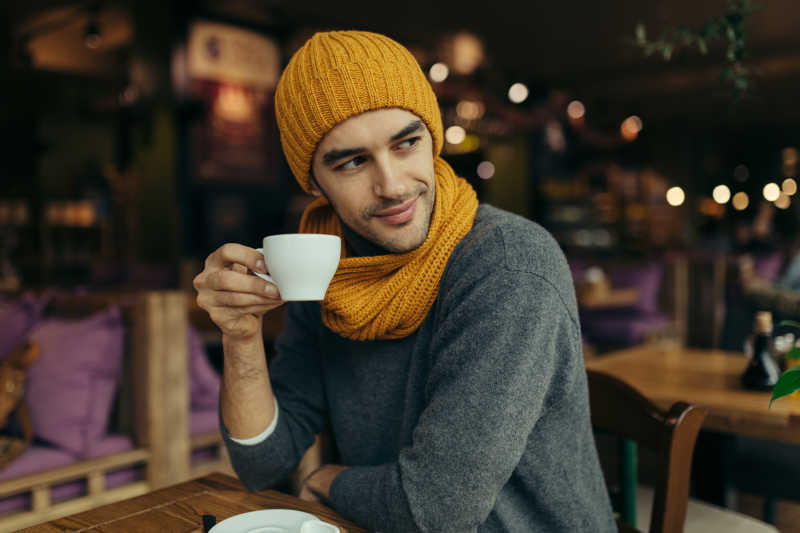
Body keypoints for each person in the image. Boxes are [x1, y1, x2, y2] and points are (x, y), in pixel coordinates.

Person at [193, 30, 615, 532]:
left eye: (406, 143)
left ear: (432, 138)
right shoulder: (329, 260)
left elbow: (435, 511)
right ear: (313, 182)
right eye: (352, 161)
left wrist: (328, 481)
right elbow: (264, 463)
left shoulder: (507, 266)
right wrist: (240, 336)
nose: (392, 185)